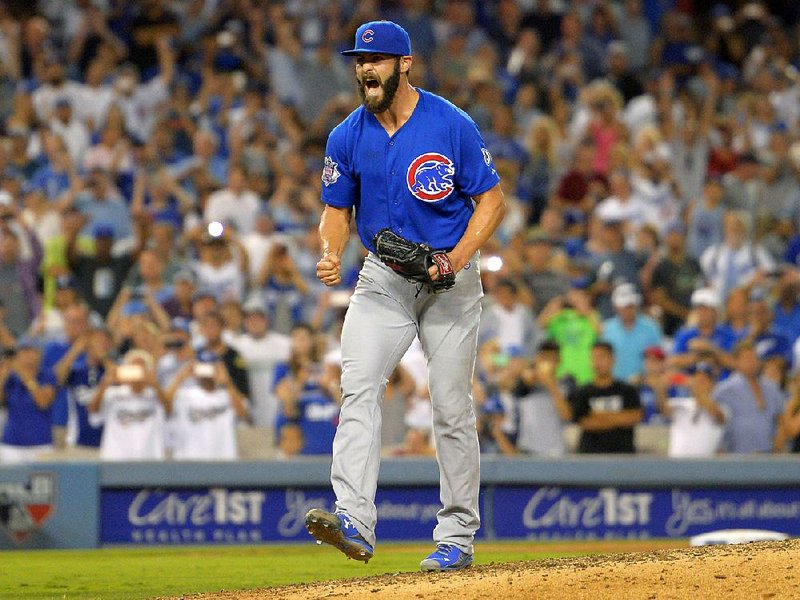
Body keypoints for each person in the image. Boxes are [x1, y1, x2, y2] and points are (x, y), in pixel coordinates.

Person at [304, 21, 505, 572]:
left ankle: (457, 537)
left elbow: (491, 200)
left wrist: (459, 259)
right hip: (383, 279)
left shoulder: (449, 123)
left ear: (404, 64)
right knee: (359, 388)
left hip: (450, 283)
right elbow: (335, 209)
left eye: (377, 59)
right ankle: (354, 520)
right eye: (359, 60)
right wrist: (329, 250)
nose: (366, 68)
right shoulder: (346, 134)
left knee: (450, 407)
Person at [166, 351, 248, 460]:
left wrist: (227, 382)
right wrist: (180, 377)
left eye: (210, 366)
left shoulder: (227, 394)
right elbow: (166, 406)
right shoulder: (185, 395)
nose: (206, 371)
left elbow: (242, 413)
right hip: (191, 459)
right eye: (203, 366)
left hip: (223, 458)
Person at [87, 350, 168, 461]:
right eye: (132, 368)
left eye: (141, 368)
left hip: (149, 458)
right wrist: (105, 383)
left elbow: (169, 410)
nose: (137, 372)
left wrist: (155, 384)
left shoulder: (155, 394)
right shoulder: (112, 393)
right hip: (116, 458)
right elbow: (93, 411)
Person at [569, 341, 643, 454]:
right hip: (590, 456)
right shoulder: (583, 392)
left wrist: (599, 415)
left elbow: (635, 416)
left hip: (623, 456)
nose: (598, 362)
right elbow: (584, 422)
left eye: (602, 357)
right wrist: (619, 419)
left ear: (613, 359)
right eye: (594, 358)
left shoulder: (627, 390)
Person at [712, 340, 785, 453]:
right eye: (746, 358)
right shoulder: (723, 391)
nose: (752, 362)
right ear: (736, 361)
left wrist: (778, 445)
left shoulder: (771, 388)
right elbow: (715, 424)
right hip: (736, 456)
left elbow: (781, 420)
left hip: (769, 456)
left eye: (754, 357)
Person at [0, 338, 57, 464]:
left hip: (41, 444)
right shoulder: (11, 378)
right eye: (23, 352)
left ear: (39, 354)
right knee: (11, 483)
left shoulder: (47, 375)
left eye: (31, 351)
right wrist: (2, 377)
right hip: (11, 444)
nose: (27, 356)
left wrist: (26, 377)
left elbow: (43, 402)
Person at [601, 283, 662, 381]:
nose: (628, 310)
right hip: (614, 384)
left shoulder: (651, 328)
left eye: (631, 306)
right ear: (615, 307)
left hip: (644, 384)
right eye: (624, 306)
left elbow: (658, 359)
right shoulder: (606, 329)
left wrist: (642, 377)